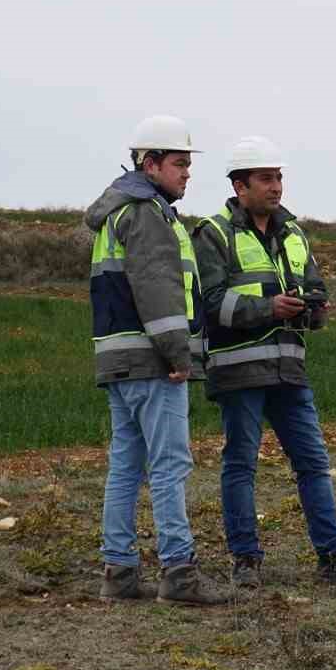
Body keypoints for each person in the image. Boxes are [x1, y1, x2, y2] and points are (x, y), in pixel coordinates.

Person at [192, 135, 336, 588]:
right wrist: (269, 309)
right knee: (241, 465)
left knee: (313, 463)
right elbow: (211, 303)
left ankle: (333, 557)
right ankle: (246, 561)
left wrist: (315, 308)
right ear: (240, 186)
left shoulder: (294, 234)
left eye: (279, 177)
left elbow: (314, 287)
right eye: (266, 178)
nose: (276, 186)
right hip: (239, 370)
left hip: (289, 369)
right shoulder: (213, 233)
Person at [86, 115, 231, 606]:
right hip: (152, 361)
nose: (187, 174)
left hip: (117, 361)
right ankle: (179, 574)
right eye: (178, 164)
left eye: (188, 165)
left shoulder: (115, 213)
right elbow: (158, 290)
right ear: (150, 164)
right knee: (170, 465)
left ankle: (120, 573)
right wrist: (178, 354)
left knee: (126, 467)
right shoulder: (147, 212)